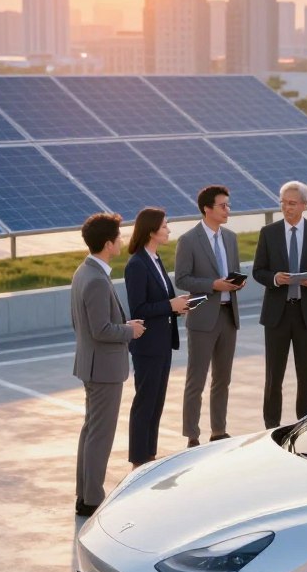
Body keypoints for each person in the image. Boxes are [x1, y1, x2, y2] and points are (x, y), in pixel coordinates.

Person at [71, 212, 145, 517]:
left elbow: (84, 324)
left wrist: (123, 324)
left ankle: (84, 494)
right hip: (104, 369)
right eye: (118, 237)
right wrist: (130, 330)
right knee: (100, 435)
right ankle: (92, 499)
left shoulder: (83, 272)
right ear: (107, 243)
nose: (122, 241)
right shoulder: (97, 280)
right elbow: (100, 329)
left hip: (91, 365)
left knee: (90, 432)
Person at [252, 180, 307, 428]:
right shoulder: (269, 233)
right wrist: (275, 278)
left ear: (304, 205)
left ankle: (304, 425)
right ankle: (271, 426)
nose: (286, 207)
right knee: (273, 376)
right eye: (283, 202)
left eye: (292, 203)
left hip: (306, 314)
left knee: (305, 376)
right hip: (277, 315)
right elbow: (258, 271)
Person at [174, 185, 242, 447]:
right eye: (223, 205)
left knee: (222, 379)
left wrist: (236, 283)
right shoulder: (189, 240)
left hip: (228, 315)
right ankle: (192, 434)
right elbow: (182, 278)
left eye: (228, 205)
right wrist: (214, 285)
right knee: (197, 379)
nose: (228, 210)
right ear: (207, 208)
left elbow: (232, 271)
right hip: (203, 317)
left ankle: (219, 430)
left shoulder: (231, 238)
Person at [124, 208, 190, 468]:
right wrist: (169, 306)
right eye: (165, 226)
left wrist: (178, 306)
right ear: (151, 231)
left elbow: (161, 301)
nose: (168, 230)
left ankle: (148, 455)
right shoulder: (137, 264)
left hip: (162, 342)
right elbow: (138, 309)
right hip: (147, 346)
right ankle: (139, 459)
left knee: (157, 402)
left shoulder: (155, 259)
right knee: (145, 403)